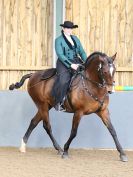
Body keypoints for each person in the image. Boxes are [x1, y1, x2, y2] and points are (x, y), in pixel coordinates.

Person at [52, 21, 87, 111]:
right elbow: (60, 55)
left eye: (71, 28)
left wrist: (87, 62)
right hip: (63, 63)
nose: (69, 30)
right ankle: (59, 102)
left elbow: (81, 52)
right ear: (63, 29)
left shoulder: (75, 38)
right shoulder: (58, 40)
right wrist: (71, 65)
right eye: (67, 28)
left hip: (76, 61)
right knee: (63, 81)